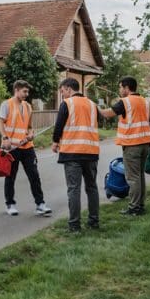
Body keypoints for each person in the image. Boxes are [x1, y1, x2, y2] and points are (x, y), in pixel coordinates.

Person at [99, 77, 150, 215]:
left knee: (133, 177)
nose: (119, 90)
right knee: (140, 175)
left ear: (126, 88)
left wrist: (94, 106)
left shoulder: (125, 102)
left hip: (132, 145)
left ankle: (134, 207)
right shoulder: (145, 102)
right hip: (145, 143)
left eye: (120, 87)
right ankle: (140, 205)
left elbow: (106, 114)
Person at [51, 78, 100, 232]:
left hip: (72, 152)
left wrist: (54, 141)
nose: (62, 95)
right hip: (91, 152)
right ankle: (94, 222)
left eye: (63, 91)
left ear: (69, 89)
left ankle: (74, 225)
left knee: (74, 189)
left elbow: (59, 125)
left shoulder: (67, 104)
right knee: (92, 188)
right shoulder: (93, 105)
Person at [0, 80, 51, 217]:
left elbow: (29, 126)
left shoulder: (28, 106)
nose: (27, 94)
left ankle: (40, 204)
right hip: (12, 148)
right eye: (24, 91)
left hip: (27, 147)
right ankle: (10, 204)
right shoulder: (6, 104)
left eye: (27, 91)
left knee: (34, 176)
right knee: (10, 177)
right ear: (16, 90)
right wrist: (5, 138)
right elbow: (0, 123)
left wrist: (31, 133)